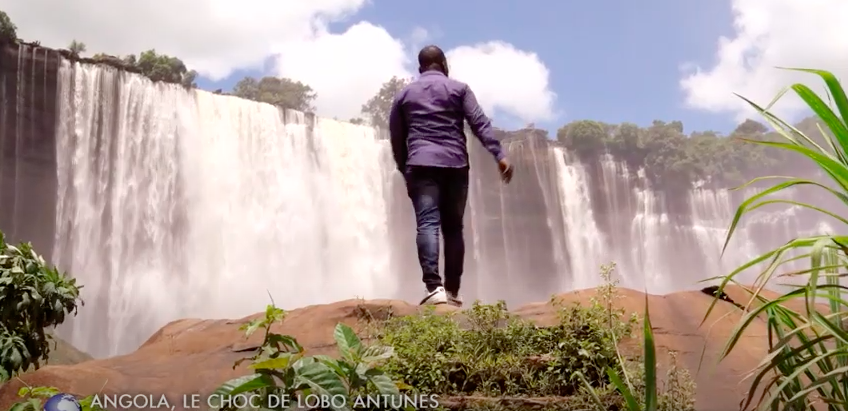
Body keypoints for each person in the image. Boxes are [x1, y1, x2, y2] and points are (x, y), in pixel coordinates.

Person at [389, 45, 514, 307]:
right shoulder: (459, 89)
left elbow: (397, 137)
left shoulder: (404, 94)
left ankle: (434, 289)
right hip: (455, 165)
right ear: (444, 64)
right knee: (453, 229)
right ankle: (453, 292)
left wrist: (405, 168)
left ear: (420, 67)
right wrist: (499, 154)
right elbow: (479, 122)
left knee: (427, 223)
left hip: (420, 165)